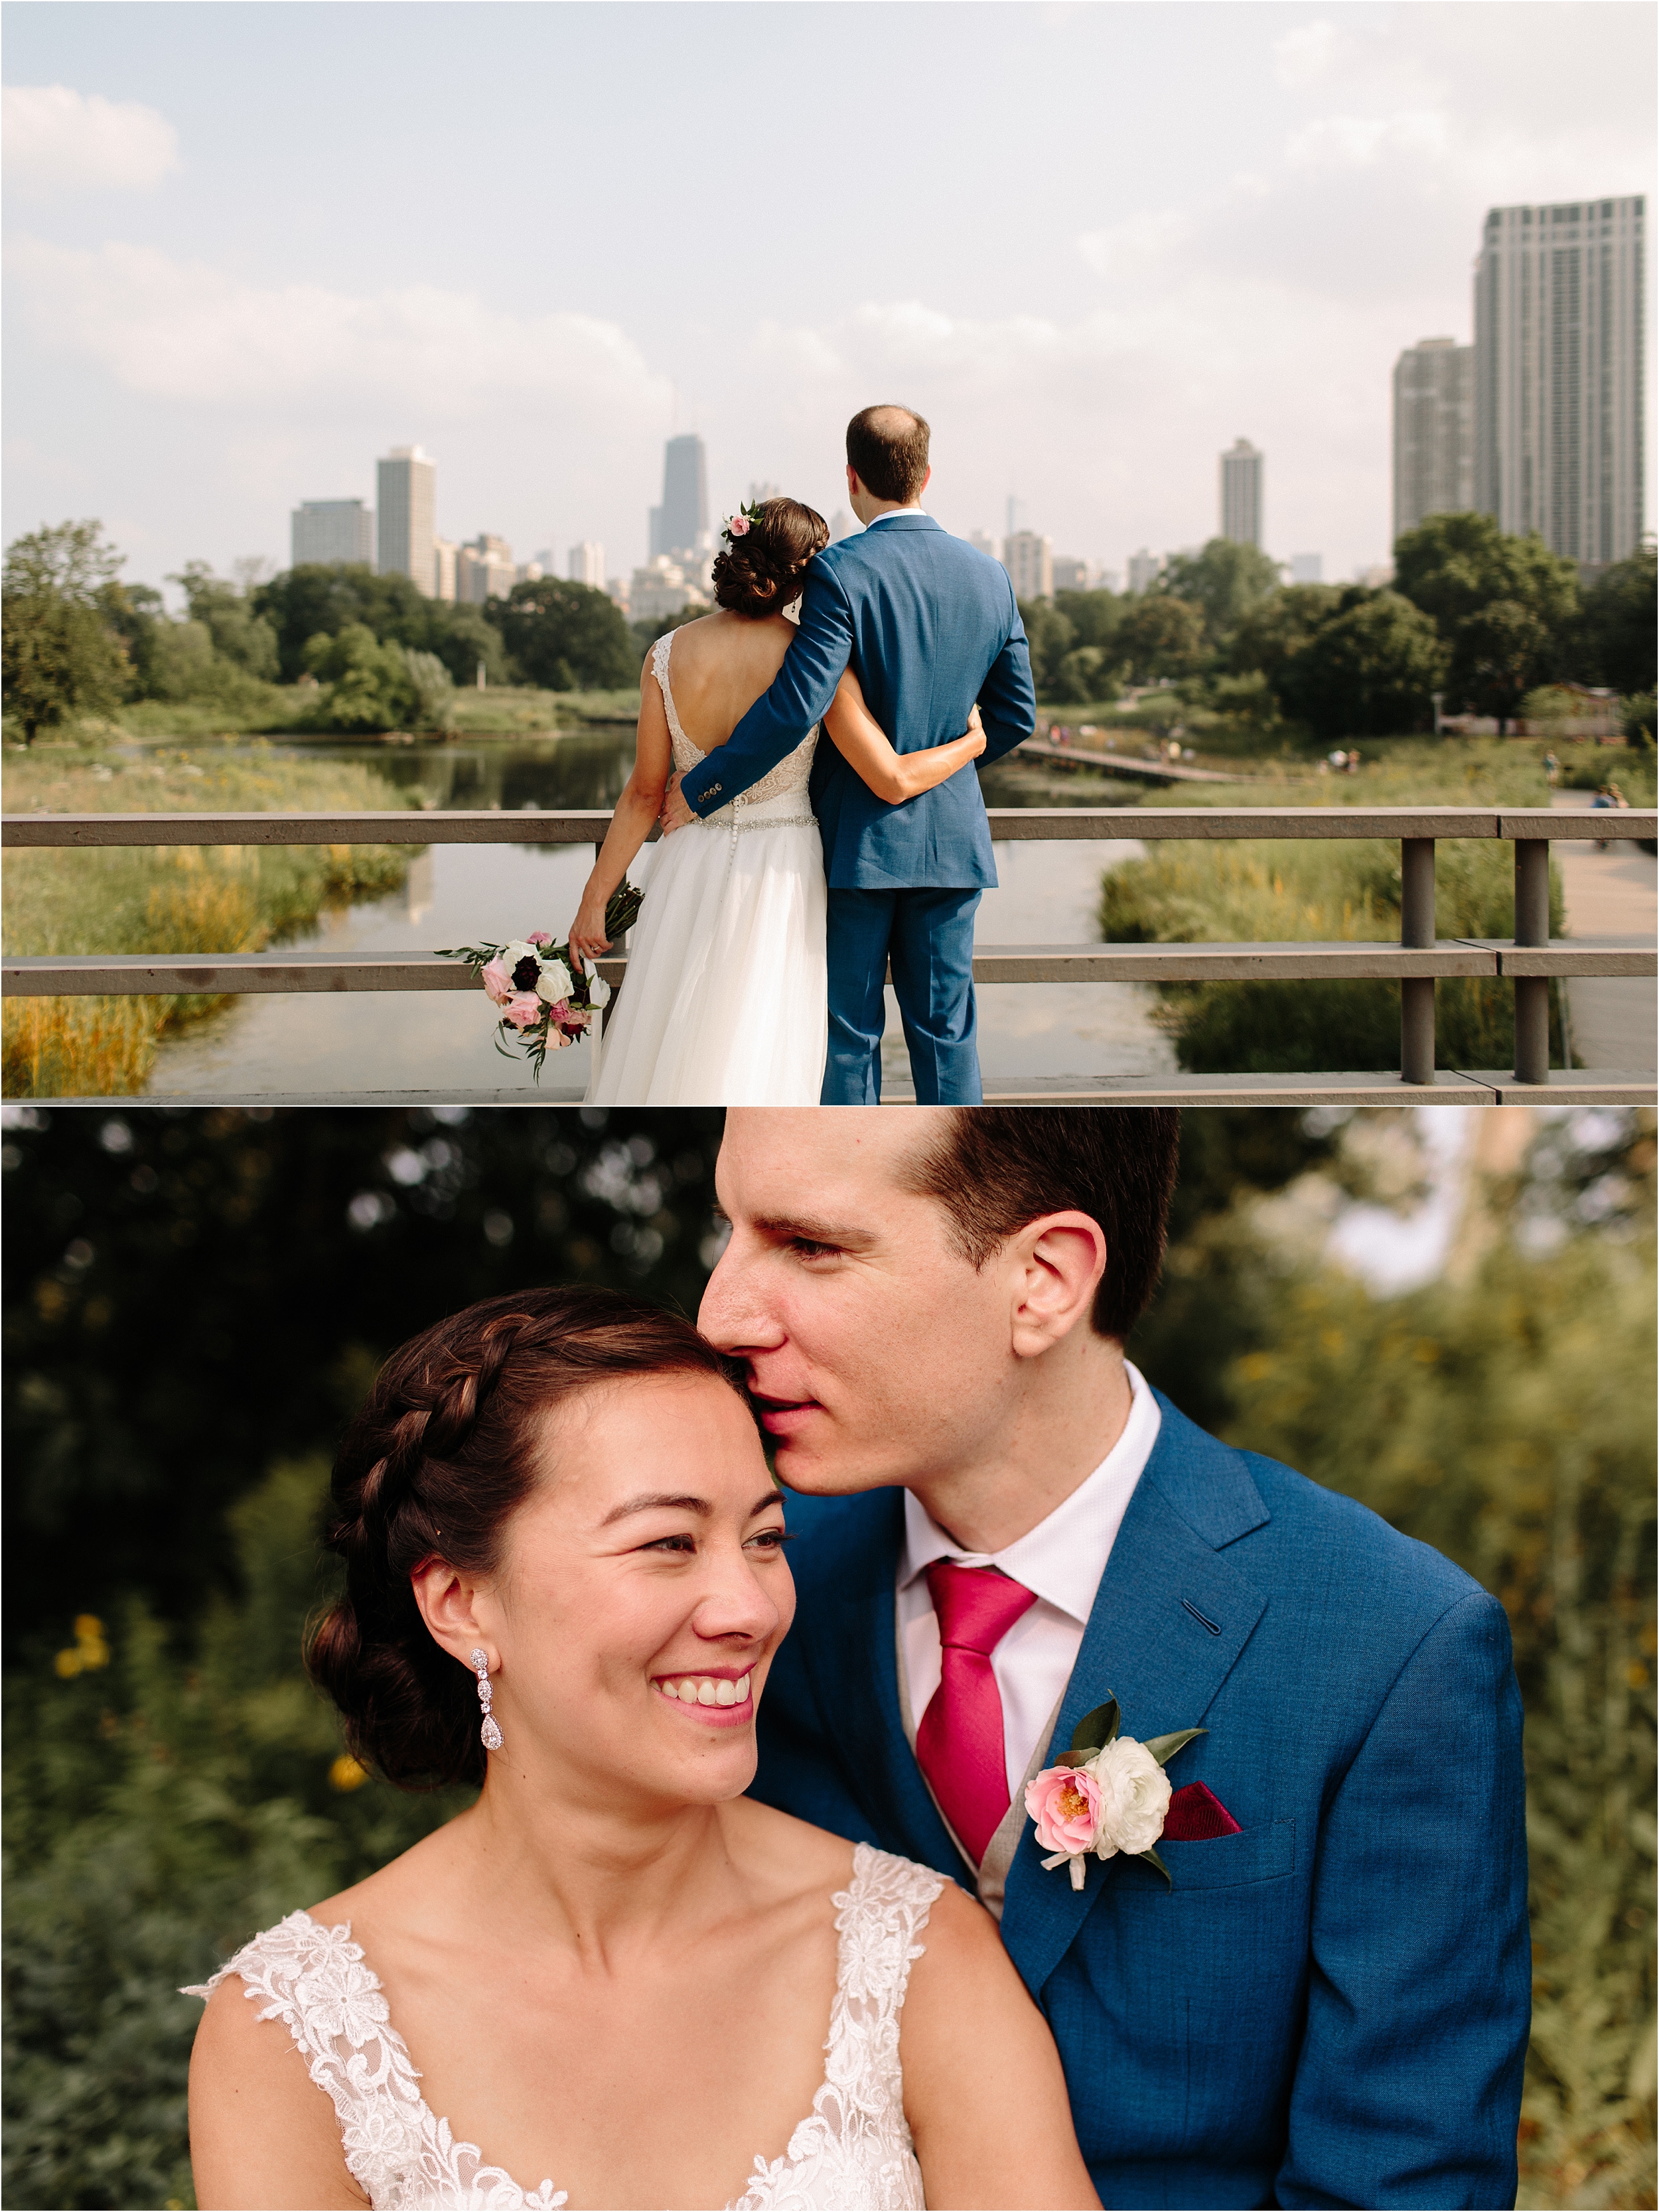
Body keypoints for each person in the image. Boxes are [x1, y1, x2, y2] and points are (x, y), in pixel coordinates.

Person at [699, 1109, 1532, 2211]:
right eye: (732, 1230)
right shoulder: (743, 1604)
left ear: (1043, 1277)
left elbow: (1400, 2188)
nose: (721, 1309)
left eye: (810, 1245)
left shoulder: (1394, 1646)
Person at [184, 1286, 1097, 2212]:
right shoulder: (291, 2038)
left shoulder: (922, 1960)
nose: (749, 1608)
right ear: (460, 1602)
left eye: (765, 1537)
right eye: (668, 1540)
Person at [660, 407, 1037, 1106]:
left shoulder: (840, 571)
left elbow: (798, 702)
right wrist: (943, 770)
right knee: (946, 1035)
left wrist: (701, 787)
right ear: (926, 475)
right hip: (950, 843)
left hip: (855, 844)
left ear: (851, 478)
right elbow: (1016, 716)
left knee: (849, 1035)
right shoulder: (991, 577)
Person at [567, 498, 985, 1105]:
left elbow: (642, 795)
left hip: (688, 868)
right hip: (783, 872)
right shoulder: (814, 660)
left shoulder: (666, 653)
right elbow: (887, 773)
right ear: (808, 572)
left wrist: (594, 899)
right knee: (765, 1033)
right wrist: (972, 742)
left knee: (673, 1026)